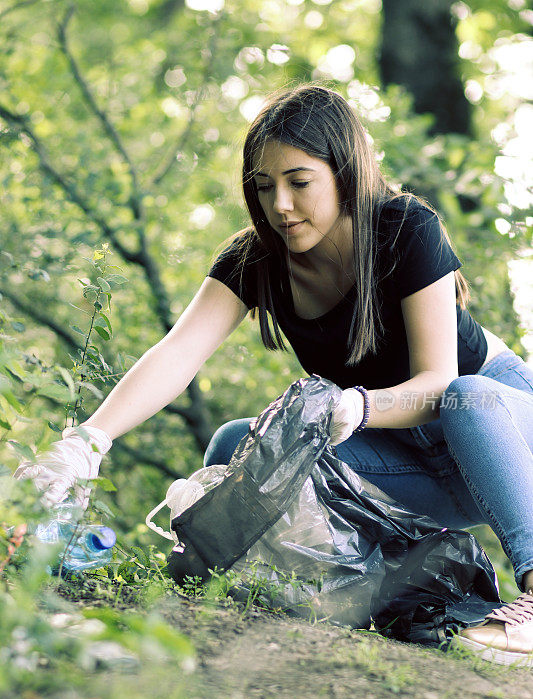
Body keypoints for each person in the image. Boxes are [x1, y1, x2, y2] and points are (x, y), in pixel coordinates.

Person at [14, 84, 533, 665]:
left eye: (299, 182)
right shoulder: (256, 260)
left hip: (501, 438)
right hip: (410, 468)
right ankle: (283, 584)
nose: (280, 205)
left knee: (466, 397)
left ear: (345, 171)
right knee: (239, 444)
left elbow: (437, 386)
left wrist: (359, 407)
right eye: (264, 187)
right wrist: (88, 441)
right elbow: (177, 353)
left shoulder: (404, 230)